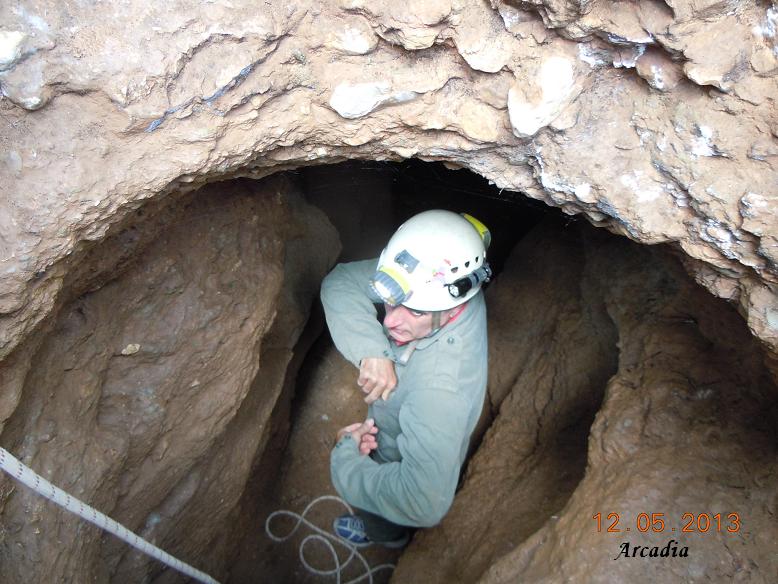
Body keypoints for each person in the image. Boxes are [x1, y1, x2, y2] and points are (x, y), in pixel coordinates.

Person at [320, 209, 491, 548]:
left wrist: (346, 458)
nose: (388, 322)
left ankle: (387, 537)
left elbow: (421, 502)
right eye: (389, 302)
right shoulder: (443, 283)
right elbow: (340, 284)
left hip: (404, 436)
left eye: (414, 311)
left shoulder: (438, 394)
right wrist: (372, 351)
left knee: (385, 494)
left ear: (454, 302)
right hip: (422, 411)